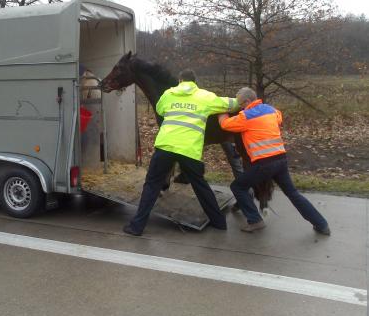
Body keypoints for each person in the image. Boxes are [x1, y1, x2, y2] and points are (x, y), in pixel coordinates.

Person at [123, 69, 239, 236]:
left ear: (180, 80)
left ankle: (137, 226)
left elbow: (160, 110)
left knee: (152, 185)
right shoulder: (205, 96)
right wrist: (248, 102)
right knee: (200, 185)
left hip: (166, 146)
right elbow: (232, 104)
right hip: (189, 150)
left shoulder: (168, 94)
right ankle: (219, 223)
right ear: (195, 81)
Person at [218, 87, 330, 234]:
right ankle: (321, 224)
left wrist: (221, 111)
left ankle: (255, 220)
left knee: (238, 187)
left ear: (247, 101)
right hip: (281, 160)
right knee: (293, 193)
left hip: (263, 164)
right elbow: (279, 117)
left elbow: (225, 124)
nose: (240, 107)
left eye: (240, 104)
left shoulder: (245, 116)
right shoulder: (271, 110)